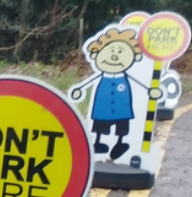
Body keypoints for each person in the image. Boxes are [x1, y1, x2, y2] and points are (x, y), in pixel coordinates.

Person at [68, 27, 162, 161]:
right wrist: (79, 90)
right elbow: (88, 82)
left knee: (122, 125)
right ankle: (98, 143)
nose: (114, 56)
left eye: (120, 52)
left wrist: (151, 90)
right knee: (100, 124)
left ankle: (120, 144)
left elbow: (140, 84)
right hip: (102, 105)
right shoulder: (102, 76)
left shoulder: (125, 76)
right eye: (111, 51)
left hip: (121, 106)